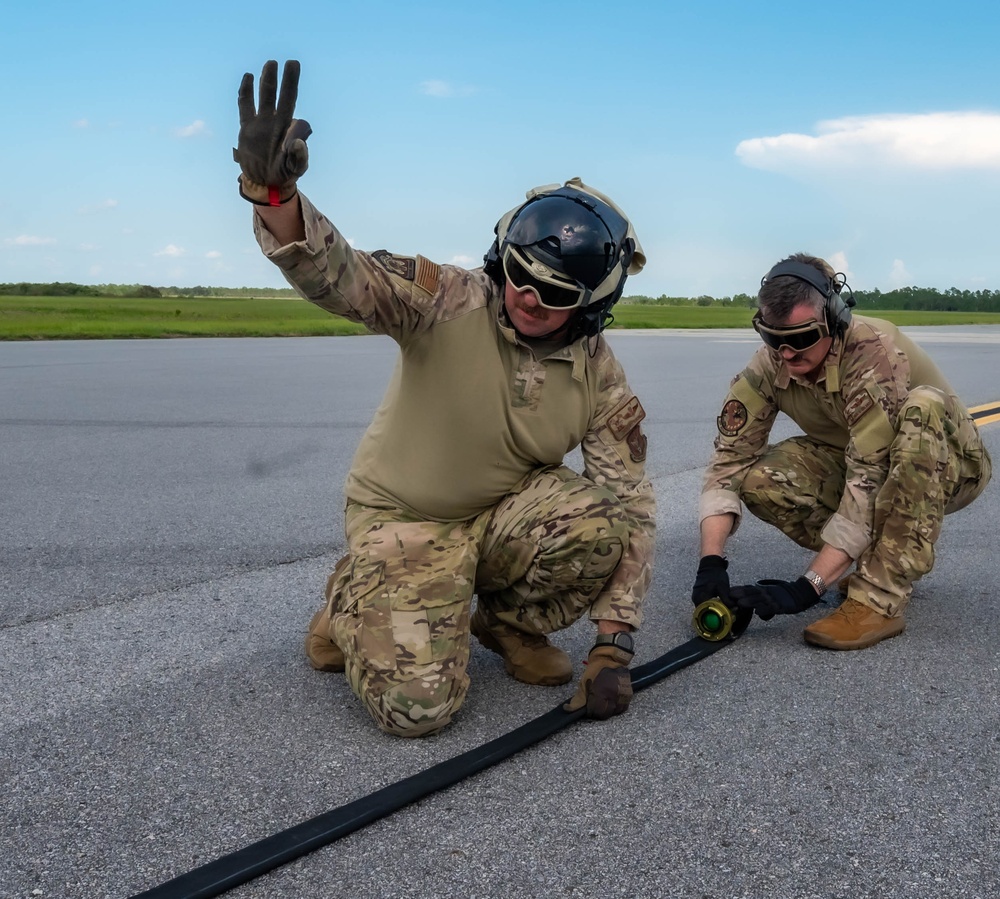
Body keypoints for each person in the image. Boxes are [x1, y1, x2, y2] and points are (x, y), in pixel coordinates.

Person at [234, 60, 655, 737]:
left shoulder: (601, 377)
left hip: (499, 520)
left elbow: (632, 504)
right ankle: (351, 599)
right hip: (406, 517)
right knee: (419, 711)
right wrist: (276, 197)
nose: (526, 297)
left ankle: (504, 623)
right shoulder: (450, 299)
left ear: (594, 306)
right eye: (519, 275)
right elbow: (347, 276)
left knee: (601, 521)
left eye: (553, 294)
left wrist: (614, 644)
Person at [693, 253, 992, 649]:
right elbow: (729, 460)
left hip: (947, 464)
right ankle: (869, 561)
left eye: (800, 339)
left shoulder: (870, 354)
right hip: (859, 460)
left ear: (834, 319)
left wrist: (808, 586)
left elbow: (870, 478)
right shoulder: (772, 363)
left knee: (922, 408)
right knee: (761, 479)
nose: (786, 355)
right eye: (772, 338)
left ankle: (879, 598)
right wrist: (710, 563)